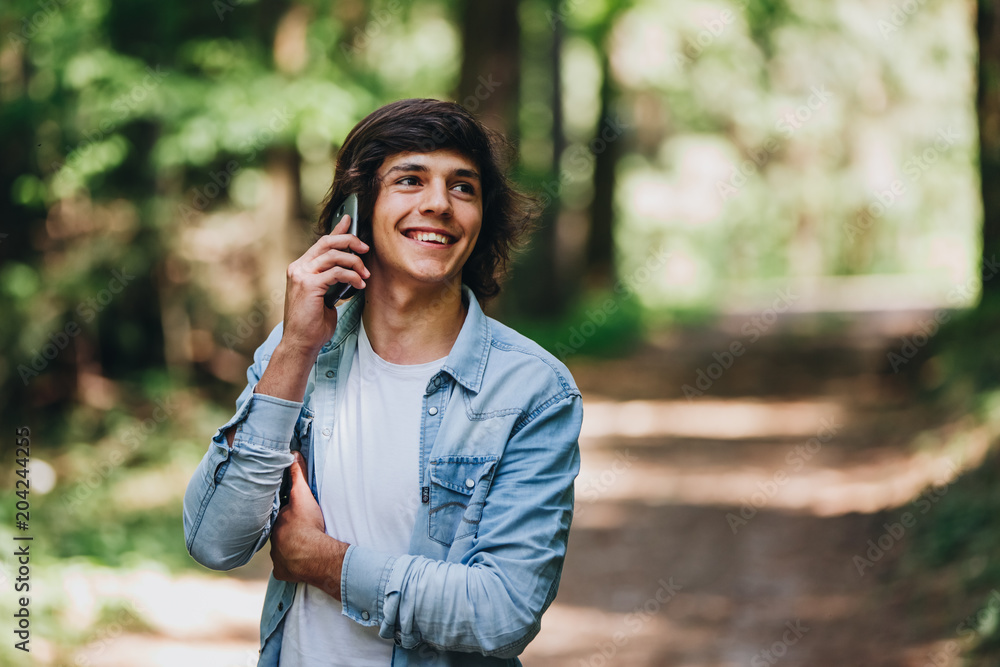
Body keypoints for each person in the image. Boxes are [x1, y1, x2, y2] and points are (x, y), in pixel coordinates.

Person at [183, 98, 583, 666]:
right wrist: (296, 346)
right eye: (410, 180)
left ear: (481, 217)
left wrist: (324, 561)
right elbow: (215, 542)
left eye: (463, 187)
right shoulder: (292, 353)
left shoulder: (532, 390)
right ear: (357, 208)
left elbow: (503, 614)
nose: (439, 204)